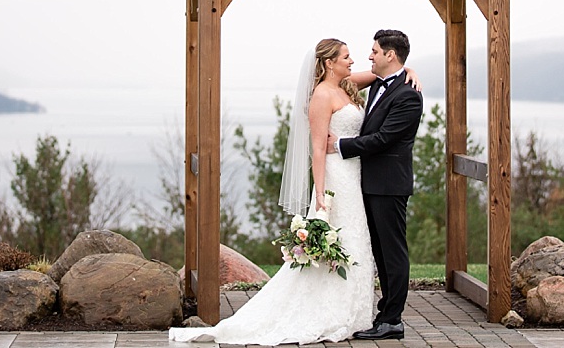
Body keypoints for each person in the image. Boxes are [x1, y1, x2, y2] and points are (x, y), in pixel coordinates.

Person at [169, 38, 416, 346]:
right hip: (337, 177)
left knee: (356, 246)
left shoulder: (345, 85)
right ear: (329, 63)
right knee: (341, 243)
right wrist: (321, 194)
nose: (355, 61)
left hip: (357, 178)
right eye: (347, 56)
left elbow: (386, 74)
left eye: (361, 55)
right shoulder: (322, 96)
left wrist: (410, 70)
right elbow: (316, 150)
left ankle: (354, 314)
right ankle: (329, 313)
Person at [329, 29, 423, 341]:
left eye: (374, 51)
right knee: (380, 252)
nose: (369, 56)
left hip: (389, 185)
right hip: (369, 184)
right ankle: (385, 313)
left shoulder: (408, 95)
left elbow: (383, 140)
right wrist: (408, 69)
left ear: (389, 55)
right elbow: (336, 82)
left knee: (393, 252)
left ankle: (393, 319)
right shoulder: (382, 84)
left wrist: (341, 145)